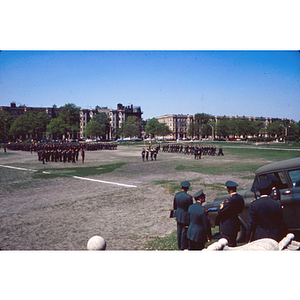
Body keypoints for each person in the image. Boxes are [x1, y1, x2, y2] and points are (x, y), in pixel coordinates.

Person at [246, 178, 287, 243]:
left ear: (259, 191)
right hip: (274, 235)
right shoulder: (277, 204)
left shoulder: (254, 205)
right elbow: (280, 222)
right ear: (270, 190)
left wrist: (248, 238)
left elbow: (250, 224)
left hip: (259, 236)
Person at [217, 181, 245, 247]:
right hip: (235, 224)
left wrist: (221, 206)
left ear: (228, 190)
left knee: (228, 244)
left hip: (227, 226)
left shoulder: (229, 200)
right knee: (233, 242)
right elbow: (240, 210)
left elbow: (220, 211)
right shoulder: (240, 198)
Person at [173, 181, 193, 250]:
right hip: (185, 216)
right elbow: (190, 208)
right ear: (188, 188)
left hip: (178, 214)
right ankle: (183, 245)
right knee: (184, 231)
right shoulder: (189, 197)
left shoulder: (177, 195)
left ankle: (179, 245)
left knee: (179, 230)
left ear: (181, 187)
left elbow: (175, 206)